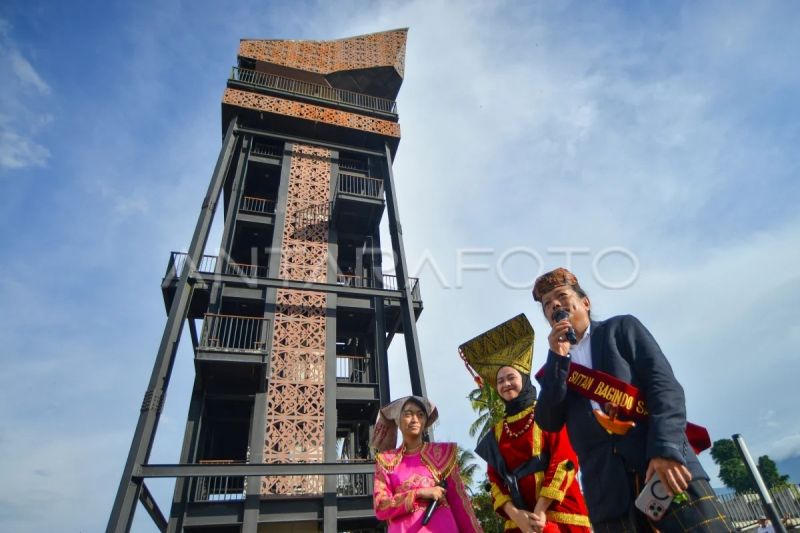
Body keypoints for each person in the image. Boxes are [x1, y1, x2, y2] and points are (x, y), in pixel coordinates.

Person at [532, 267, 734, 532]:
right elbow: (548, 421)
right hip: (609, 497)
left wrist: (665, 449)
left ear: (585, 302)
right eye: (547, 304)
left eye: (561, 296)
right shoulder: (556, 367)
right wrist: (558, 358)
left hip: (664, 468)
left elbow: (664, 387)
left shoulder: (620, 329)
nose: (555, 305)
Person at [460, 315, 591, 533]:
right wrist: (516, 515)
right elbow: (495, 480)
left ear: (524, 378)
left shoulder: (546, 412)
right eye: (500, 381)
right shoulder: (497, 431)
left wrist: (540, 511)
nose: (505, 384)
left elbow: (564, 460)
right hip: (519, 524)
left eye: (511, 377)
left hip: (559, 516)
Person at [372, 395, 483, 532]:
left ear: (425, 421)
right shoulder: (386, 460)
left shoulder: (442, 454)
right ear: (398, 420)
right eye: (408, 414)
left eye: (420, 415)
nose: (415, 419)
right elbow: (381, 507)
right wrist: (419, 493)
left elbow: (459, 503)